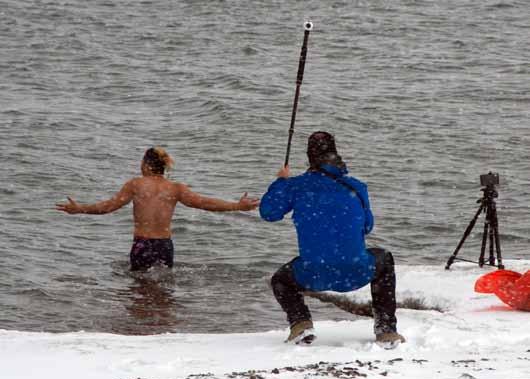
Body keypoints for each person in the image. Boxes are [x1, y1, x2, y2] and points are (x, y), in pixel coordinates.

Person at [259, 132, 405, 347]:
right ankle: (386, 330)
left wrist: (281, 181)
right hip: (356, 271)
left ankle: (300, 323)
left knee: (281, 280)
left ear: (309, 157)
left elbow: (269, 212)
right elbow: (367, 227)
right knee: (384, 260)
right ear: (336, 154)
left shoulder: (296, 186)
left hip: (313, 274)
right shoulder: (356, 186)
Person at [56, 147, 259, 271]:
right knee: (163, 288)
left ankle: (142, 328)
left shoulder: (136, 184)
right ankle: (161, 330)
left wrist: (80, 209)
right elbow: (204, 203)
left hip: (142, 245)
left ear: (146, 165)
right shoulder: (175, 188)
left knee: (138, 289)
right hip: (164, 246)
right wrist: (236, 205)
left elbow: (109, 207)